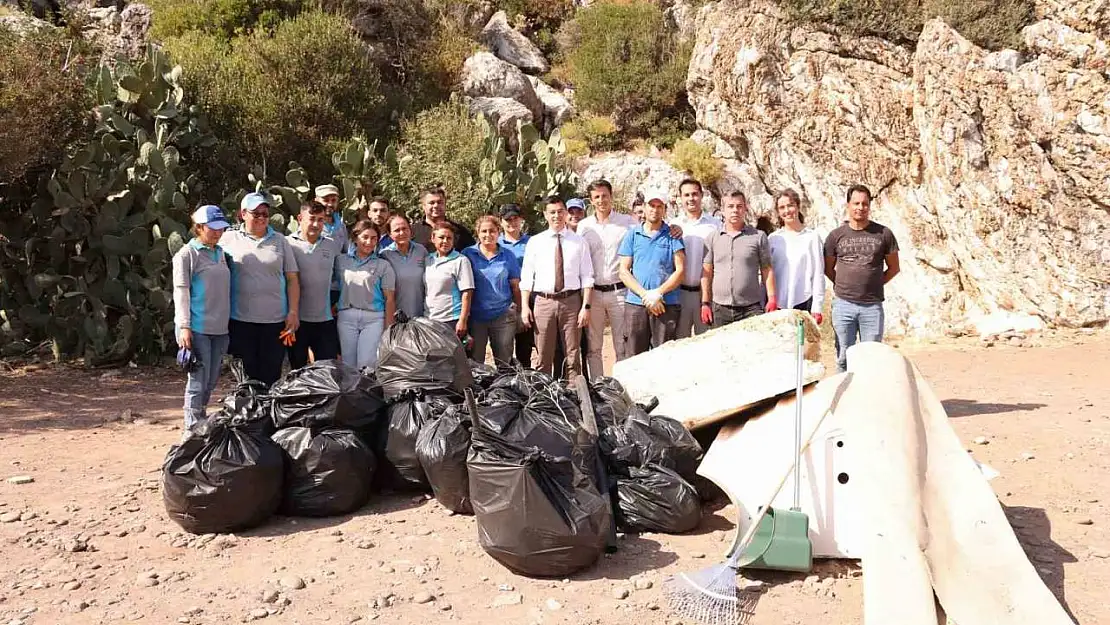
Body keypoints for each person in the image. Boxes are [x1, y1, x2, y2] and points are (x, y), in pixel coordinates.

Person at [222, 193, 300, 387]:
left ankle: (266, 416)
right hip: (240, 320)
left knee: (271, 374)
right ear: (243, 214)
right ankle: (248, 415)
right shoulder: (228, 239)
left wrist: (293, 312)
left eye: (265, 214)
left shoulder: (280, 241)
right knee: (245, 377)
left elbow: (292, 279)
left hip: (274, 322)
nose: (262, 218)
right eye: (256, 214)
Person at [824, 184, 900, 373]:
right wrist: (843, 285)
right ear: (848, 205)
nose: (860, 207)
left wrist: (874, 283)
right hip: (843, 305)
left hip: (872, 307)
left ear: (870, 206)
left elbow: (894, 268)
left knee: (872, 358)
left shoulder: (884, 234)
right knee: (843, 357)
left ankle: (869, 400)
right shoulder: (835, 236)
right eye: (856, 203)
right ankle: (843, 400)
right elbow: (828, 268)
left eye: (865, 204)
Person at [520, 196, 594, 379]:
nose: (556, 216)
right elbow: (527, 277)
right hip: (544, 302)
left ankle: (573, 395)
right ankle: (545, 398)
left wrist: (586, 307)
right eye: (552, 212)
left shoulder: (579, 242)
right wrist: (524, 307)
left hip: (571, 302)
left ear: (566, 213)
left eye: (560, 211)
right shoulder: (536, 242)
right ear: (545, 215)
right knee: (543, 354)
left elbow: (587, 276)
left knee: (572, 354)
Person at [172, 205, 231, 428]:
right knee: (197, 380)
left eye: (221, 228)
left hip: (220, 328)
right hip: (197, 327)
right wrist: (184, 326)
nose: (217, 233)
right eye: (212, 228)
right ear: (199, 227)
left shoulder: (221, 253)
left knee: (211, 380)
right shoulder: (187, 254)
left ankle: (201, 421)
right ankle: (191, 428)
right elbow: (181, 290)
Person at [577, 179, 638, 374]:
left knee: (622, 344)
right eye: (597, 197)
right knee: (594, 346)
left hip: (619, 291)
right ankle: (598, 387)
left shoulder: (627, 223)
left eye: (604, 195)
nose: (601, 200)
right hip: (594, 293)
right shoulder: (584, 227)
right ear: (591, 201)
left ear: (611, 197)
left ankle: (620, 388)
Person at [618, 190, 686, 355]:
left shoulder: (673, 235)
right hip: (636, 304)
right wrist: (646, 296)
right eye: (651, 205)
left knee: (663, 355)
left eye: (659, 206)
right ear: (644, 207)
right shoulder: (632, 235)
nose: (655, 210)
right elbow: (624, 271)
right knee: (633, 355)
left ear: (664, 209)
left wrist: (658, 293)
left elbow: (680, 270)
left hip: (666, 304)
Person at [701, 191, 777, 328]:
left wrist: (771, 298)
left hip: (751, 309)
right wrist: (705, 303)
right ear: (723, 210)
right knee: (722, 349)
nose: (735, 210)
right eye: (730, 206)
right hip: (720, 309)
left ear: (745, 209)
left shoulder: (758, 236)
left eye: (739, 206)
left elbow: (767, 269)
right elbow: (707, 273)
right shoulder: (712, 238)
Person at [286, 201, 342, 369]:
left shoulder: (331, 244)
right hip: (296, 321)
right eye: (312, 219)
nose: (316, 224)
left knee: (327, 371)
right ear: (299, 218)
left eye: (321, 219)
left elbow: (341, 276)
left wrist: (339, 302)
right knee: (298, 371)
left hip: (324, 319)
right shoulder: (287, 244)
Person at [335, 220, 397, 370]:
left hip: (374, 318)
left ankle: (365, 393)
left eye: (374, 238)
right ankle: (350, 393)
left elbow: (389, 299)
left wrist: (388, 327)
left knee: (366, 363)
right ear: (356, 238)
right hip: (347, 317)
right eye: (365, 237)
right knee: (348, 364)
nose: (369, 242)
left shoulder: (383, 265)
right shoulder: (340, 261)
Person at [463, 216, 521, 366]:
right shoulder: (467, 254)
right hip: (476, 317)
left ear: (498, 232)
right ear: (477, 232)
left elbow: (515, 286)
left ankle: (505, 389)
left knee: (504, 362)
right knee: (476, 363)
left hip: (503, 315)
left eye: (492, 231)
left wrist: (518, 311)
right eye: (484, 231)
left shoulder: (507, 255)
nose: (488, 235)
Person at [673, 178, 722, 339]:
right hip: (680, 294)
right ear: (680, 198)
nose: (691, 198)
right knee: (679, 342)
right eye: (686, 195)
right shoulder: (673, 225)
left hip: (706, 295)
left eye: (695, 194)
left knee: (706, 342)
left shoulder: (715, 225)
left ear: (701, 195)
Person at [769, 189, 826, 324]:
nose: (787, 210)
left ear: (798, 206)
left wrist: (817, 307)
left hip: (804, 301)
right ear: (778, 212)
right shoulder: (773, 238)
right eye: (782, 207)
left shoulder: (812, 237)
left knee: (802, 344)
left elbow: (818, 273)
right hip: (778, 304)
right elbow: (767, 273)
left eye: (790, 205)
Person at [424, 224, 476, 339]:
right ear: (433, 238)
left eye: (449, 238)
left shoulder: (461, 260)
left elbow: (467, 293)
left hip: (451, 319)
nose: (445, 241)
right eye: (441, 237)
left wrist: (462, 320)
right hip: (429, 319)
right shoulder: (428, 260)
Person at [498, 204, 533, 367]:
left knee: (524, 346)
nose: (512, 222)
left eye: (515, 218)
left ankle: (526, 382)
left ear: (521, 220)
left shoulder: (532, 242)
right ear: (501, 222)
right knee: (504, 348)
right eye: (507, 219)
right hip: (503, 301)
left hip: (528, 300)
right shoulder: (495, 243)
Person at [380, 215, 428, 320]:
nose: (402, 233)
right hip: (397, 315)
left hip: (421, 314)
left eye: (404, 228)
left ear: (410, 230)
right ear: (390, 234)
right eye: (397, 230)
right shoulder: (385, 255)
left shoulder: (421, 251)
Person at [410, 187, 476, 252]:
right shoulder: (412, 231)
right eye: (432, 203)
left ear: (445, 204)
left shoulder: (460, 231)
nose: (436, 206)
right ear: (423, 206)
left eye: (439, 202)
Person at [315, 184, 348, 251]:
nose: (330, 204)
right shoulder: (311, 224)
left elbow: (345, 252)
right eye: (326, 200)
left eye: (333, 200)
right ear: (316, 201)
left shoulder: (341, 226)